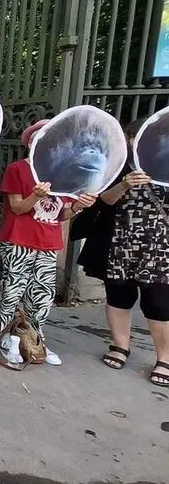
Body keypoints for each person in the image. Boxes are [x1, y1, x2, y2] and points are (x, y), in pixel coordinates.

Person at [0, 121, 96, 367]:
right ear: (31, 143)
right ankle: (5, 337)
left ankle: (35, 338)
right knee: (13, 290)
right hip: (18, 239)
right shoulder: (17, 169)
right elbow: (17, 207)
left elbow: (62, 213)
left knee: (42, 294)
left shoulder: (64, 175)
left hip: (48, 242)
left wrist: (80, 206)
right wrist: (35, 196)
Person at [74, 119, 168, 387]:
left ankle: (164, 358)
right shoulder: (116, 165)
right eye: (132, 136)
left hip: (158, 246)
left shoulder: (164, 161)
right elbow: (102, 200)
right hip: (118, 242)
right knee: (118, 295)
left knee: (159, 302)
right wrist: (124, 184)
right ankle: (120, 345)